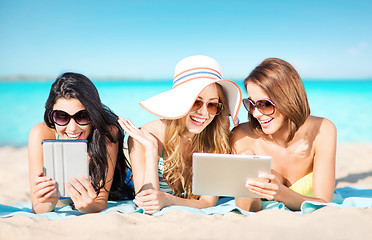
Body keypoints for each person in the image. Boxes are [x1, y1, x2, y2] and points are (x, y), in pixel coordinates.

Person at [118, 55, 242, 214]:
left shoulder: (216, 139)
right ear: (180, 101)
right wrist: (151, 150)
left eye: (212, 105)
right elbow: (147, 204)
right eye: (196, 102)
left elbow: (207, 202)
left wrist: (167, 200)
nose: (204, 113)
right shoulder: (146, 137)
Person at [230, 58, 337, 211]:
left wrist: (280, 193)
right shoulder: (242, 137)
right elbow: (248, 209)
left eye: (265, 104)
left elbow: (324, 202)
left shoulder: (323, 130)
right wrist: (244, 170)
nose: (256, 114)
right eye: (251, 105)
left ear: (288, 99)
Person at [28, 72, 134, 214]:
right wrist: (47, 203)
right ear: (51, 114)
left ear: (94, 114)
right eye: (62, 116)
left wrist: (88, 207)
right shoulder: (40, 134)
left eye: (82, 116)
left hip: (120, 183)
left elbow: (100, 201)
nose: (72, 128)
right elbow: (39, 208)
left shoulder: (106, 132)